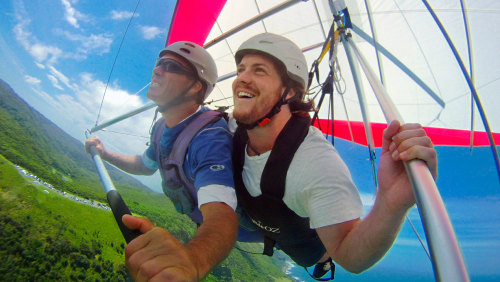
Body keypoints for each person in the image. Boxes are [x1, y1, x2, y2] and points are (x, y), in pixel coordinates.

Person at [231, 33, 438, 278]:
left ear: (291, 93)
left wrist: (391, 204)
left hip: (306, 246)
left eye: (259, 71)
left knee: (308, 250)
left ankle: (322, 262)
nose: (242, 78)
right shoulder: (232, 130)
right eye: (241, 69)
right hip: (260, 222)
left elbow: (351, 256)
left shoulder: (315, 165)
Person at [85, 41, 238, 281]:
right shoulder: (161, 128)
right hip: (198, 217)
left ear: (196, 86)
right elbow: (144, 165)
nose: (156, 70)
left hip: (236, 230)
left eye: (170, 66)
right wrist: (104, 153)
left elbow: (222, 214)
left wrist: (193, 261)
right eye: (159, 64)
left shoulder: (209, 138)